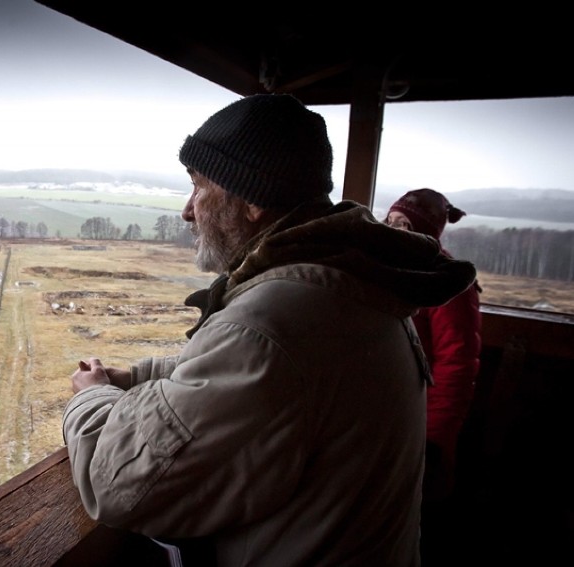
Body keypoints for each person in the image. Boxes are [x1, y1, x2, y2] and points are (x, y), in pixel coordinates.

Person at [62, 94, 477, 566]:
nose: (187, 210)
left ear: (253, 199)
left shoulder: (273, 321)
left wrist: (91, 396)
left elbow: (118, 486)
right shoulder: (351, 283)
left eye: (199, 186)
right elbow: (263, 381)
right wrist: (137, 377)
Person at [386, 189, 482, 563]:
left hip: (422, 426)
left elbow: (457, 365)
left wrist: (436, 441)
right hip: (391, 418)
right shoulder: (388, 266)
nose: (394, 231)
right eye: (390, 222)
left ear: (428, 233)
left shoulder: (449, 282)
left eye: (405, 225)